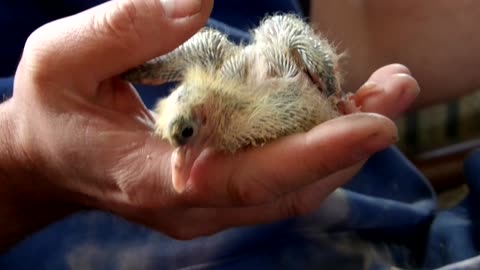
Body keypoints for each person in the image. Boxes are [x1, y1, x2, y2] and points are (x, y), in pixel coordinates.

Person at [0, 1, 478, 269]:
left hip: (401, 229)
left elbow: (350, 24)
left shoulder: (230, 74)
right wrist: (21, 161)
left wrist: (329, 86)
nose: (184, 158)